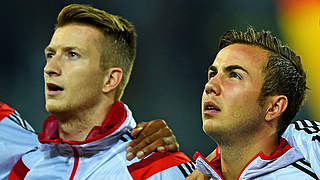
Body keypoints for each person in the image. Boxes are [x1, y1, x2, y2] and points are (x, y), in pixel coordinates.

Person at [0, 4, 194, 179]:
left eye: (72, 55)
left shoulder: (155, 170)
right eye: (50, 54)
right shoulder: (28, 166)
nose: (50, 67)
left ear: (110, 80)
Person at [187, 27, 319, 179]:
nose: (210, 86)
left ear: (274, 107)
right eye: (213, 74)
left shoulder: (308, 144)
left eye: (235, 75)